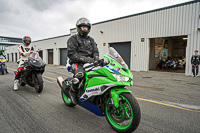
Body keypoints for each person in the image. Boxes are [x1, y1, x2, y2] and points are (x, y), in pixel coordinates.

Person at [67, 18, 99, 104]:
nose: (85, 29)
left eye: (86, 27)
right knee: (80, 74)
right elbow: (71, 54)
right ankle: (73, 91)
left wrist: (96, 58)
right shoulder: (73, 39)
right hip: (76, 62)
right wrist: (86, 59)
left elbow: (95, 51)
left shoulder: (91, 40)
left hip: (90, 62)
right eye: (83, 27)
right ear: (78, 28)